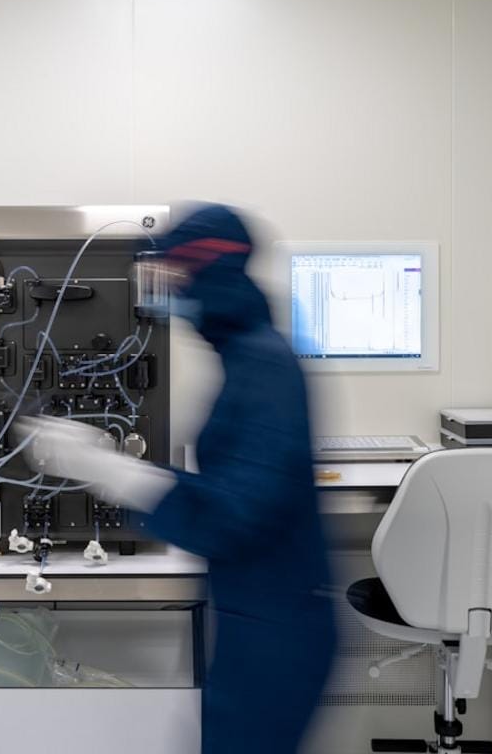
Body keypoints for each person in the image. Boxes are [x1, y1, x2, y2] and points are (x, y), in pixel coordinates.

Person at [25, 204, 337, 753]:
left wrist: (109, 468)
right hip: (258, 617)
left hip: (278, 631)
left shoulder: (263, 366)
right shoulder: (246, 356)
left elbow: (233, 515)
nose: (160, 294)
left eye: (167, 276)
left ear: (204, 270)